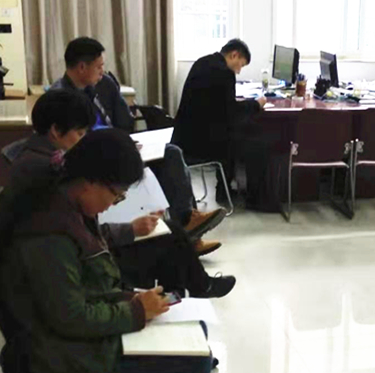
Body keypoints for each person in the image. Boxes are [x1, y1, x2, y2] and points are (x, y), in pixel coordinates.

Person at [0, 129, 211, 373]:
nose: (114, 203)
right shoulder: (48, 235)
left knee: (196, 333)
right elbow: (71, 317)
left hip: (75, 345)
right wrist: (135, 311)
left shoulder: (66, 205)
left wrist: (131, 300)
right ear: (90, 182)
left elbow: (82, 287)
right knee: (197, 361)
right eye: (116, 194)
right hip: (63, 367)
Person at [0, 91, 235, 298]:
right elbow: (80, 237)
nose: (83, 142)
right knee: (166, 243)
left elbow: (83, 230)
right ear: (55, 131)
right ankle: (183, 296)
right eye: (80, 134)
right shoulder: (47, 171)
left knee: (168, 231)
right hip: (77, 264)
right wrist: (127, 231)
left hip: (81, 251)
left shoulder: (39, 157)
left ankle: (189, 291)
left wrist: (130, 228)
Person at [50, 36, 224, 254]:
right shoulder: (61, 98)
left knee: (171, 153)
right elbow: (76, 141)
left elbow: (124, 120)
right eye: (99, 67)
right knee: (166, 162)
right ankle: (187, 233)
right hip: (97, 157)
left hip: (119, 145)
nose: (102, 71)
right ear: (82, 67)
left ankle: (189, 223)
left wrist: (125, 137)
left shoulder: (102, 86)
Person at [173, 38, 277, 210]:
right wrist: (256, 104)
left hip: (184, 136)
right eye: (240, 65)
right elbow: (231, 112)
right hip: (201, 144)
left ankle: (224, 189)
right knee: (259, 143)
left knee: (241, 133)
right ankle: (256, 200)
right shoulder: (224, 73)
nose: (238, 71)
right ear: (234, 55)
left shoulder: (203, 62)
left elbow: (222, 108)